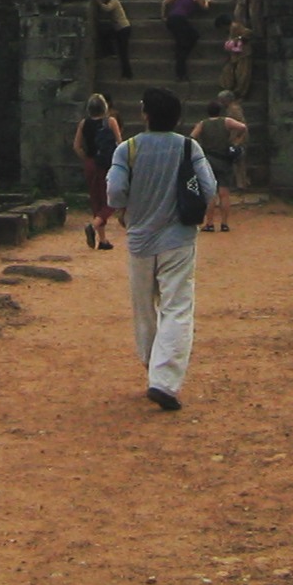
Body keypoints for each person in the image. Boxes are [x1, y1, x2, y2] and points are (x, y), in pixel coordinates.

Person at [104, 86, 217, 410]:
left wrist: (130, 208)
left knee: (144, 308)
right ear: (177, 118)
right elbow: (209, 188)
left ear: (145, 115)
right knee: (177, 307)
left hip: (140, 239)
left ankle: (150, 364)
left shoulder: (127, 149)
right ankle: (164, 379)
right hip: (178, 239)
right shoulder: (188, 146)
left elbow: (114, 193)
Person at [73, 93, 123, 250]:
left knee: (96, 201)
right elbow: (120, 143)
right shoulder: (111, 121)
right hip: (107, 164)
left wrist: (87, 158)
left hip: (91, 163)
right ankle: (93, 226)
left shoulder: (83, 123)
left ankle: (103, 239)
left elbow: (77, 146)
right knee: (111, 201)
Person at [191, 99, 248, 232]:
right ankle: (224, 223)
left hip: (208, 161)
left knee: (210, 193)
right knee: (224, 193)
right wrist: (236, 141)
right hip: (224, 160)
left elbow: (192, 137)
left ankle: (210, 223)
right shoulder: (226, 121)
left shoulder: (202, 124)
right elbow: (242, 127)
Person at [161, 0, 210, 81]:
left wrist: (163, 16)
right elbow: (204, 7)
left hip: (171, 19)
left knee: (184, 41)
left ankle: (181, 67)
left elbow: (164, 2)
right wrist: (207, 1)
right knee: (192, 38)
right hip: (180, 20)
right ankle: (181, 72)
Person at [94, 0, 133, 79]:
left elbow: (107, 8)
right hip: (118, 28)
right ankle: (111, 53)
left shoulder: (114, 0)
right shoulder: (113, 1)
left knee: (123, 52)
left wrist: (98, 1)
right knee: (105, 35)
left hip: (123, 28)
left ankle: (127, 73)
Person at [218, 17, 253, 100]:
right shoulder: (232, 29)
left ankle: (240, 94)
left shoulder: (235, 26)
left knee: (242, 75)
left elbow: (248, 32)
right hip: (235, 55)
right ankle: (229, 90)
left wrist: (238, 39)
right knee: (228, 72)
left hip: (244, 54)